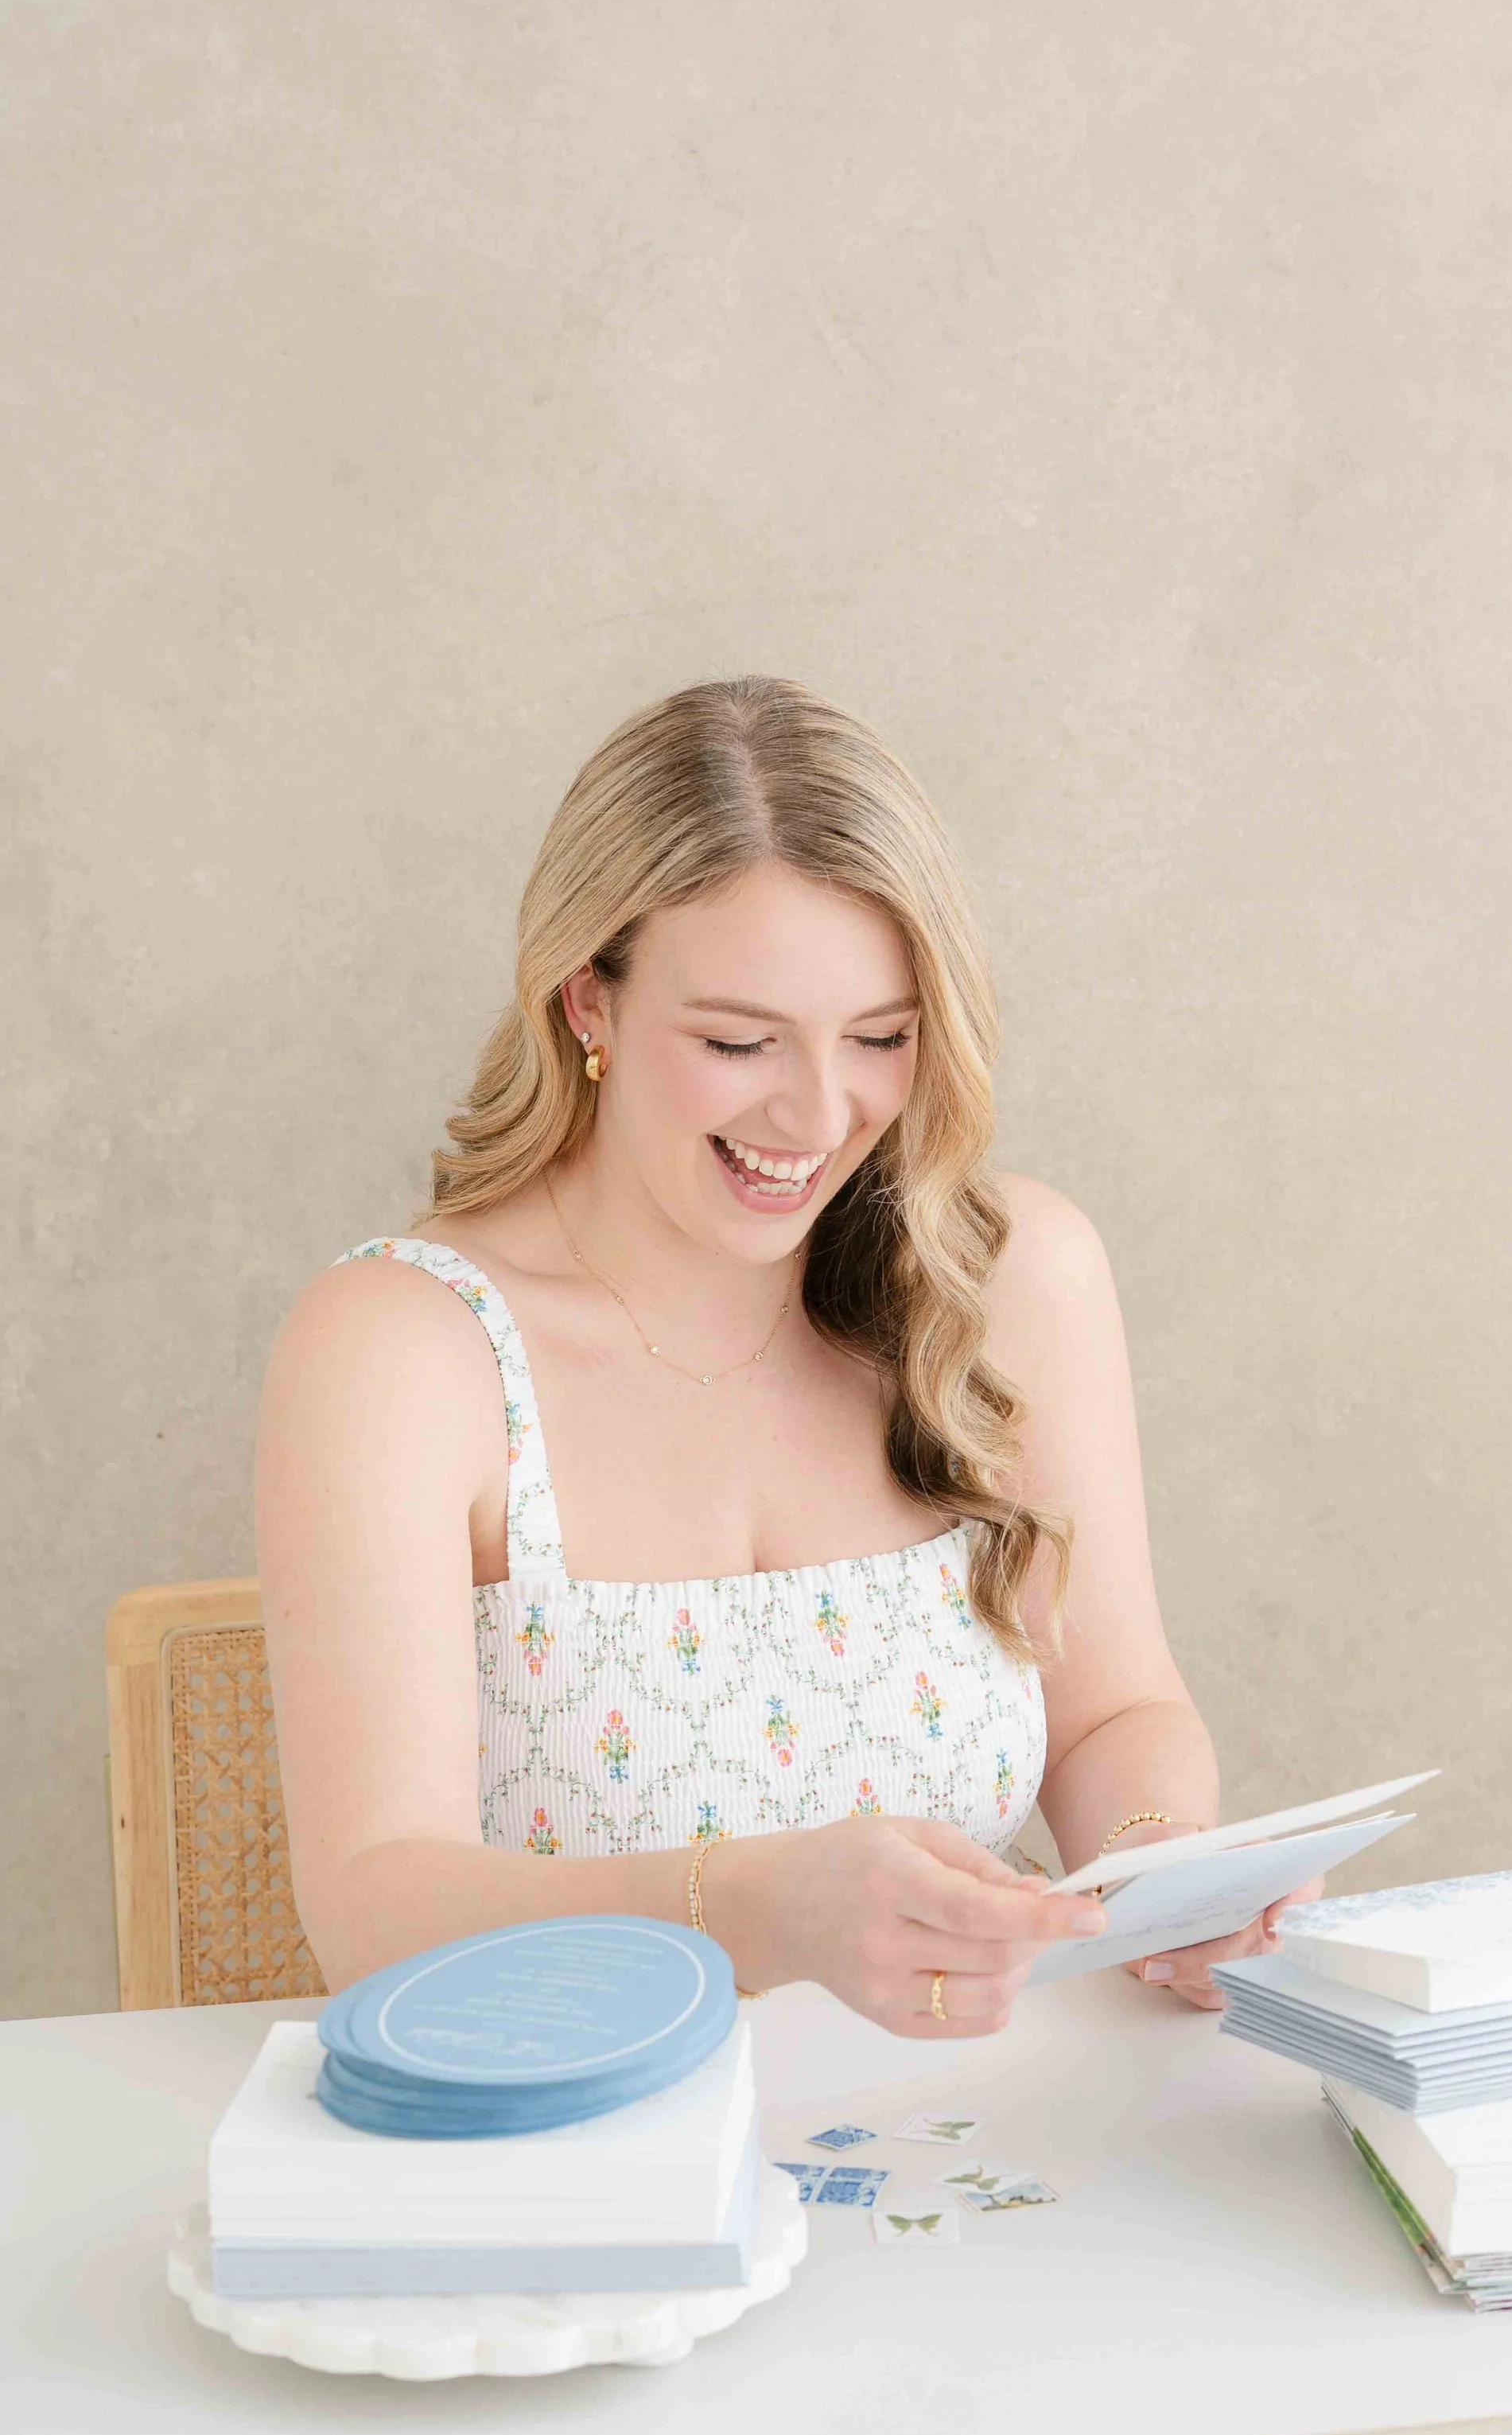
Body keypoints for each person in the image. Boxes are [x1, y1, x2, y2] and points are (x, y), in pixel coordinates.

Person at [259, 676, 1301, 2034]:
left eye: (881, 1038)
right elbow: (372, 1908)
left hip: (991, 2133)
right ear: (588, 1003)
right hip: (586, 2157)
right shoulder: (405, 1354)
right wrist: (760, 1908)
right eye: (739, 1041)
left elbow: (1114, 1715)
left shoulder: (1003, 1279)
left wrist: (1167, 1869)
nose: (818, 1114)